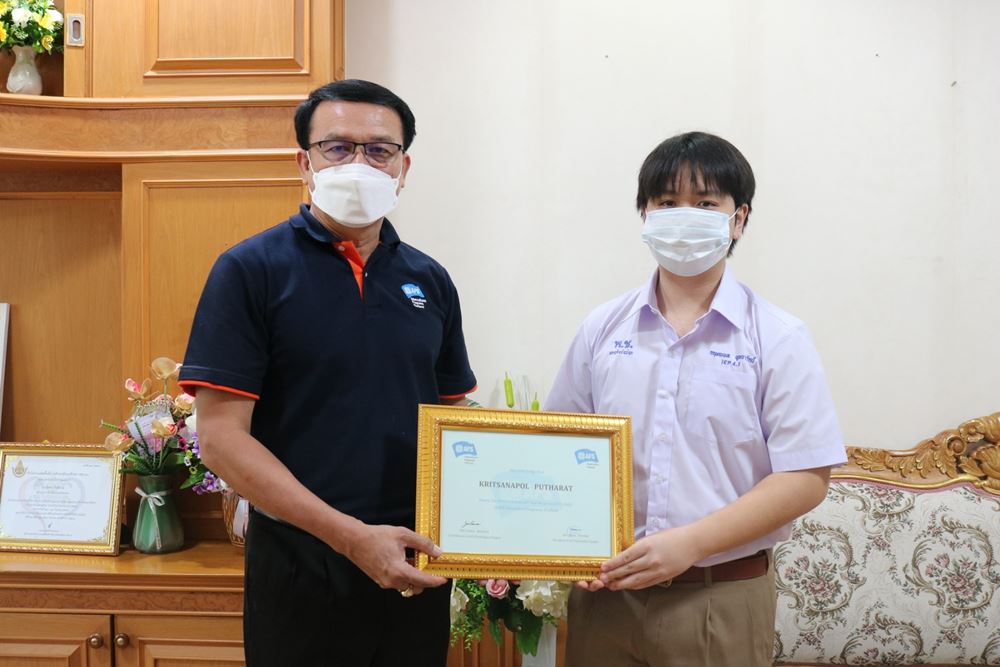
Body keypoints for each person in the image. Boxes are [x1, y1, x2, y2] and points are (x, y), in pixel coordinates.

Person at [178, 79, 477, 666]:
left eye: (380, 149)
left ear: (403, 168)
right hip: (300, 566)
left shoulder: (430, 280)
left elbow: (454, 419)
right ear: (305, 163)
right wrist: (351, 537)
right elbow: (220, 440)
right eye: (337, 147)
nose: (359, 163)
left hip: (412, 562)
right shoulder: (250, 270)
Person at [544, 131, 846, 667]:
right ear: (644, 214)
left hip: (719, 595)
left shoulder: (777, 336)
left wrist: (690, 544)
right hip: (607, 595)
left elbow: (805, 477)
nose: (684, 216)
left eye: (705, 204)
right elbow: (558, 446)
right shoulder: (602, 328)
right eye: (667, 202)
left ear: (738, 219)